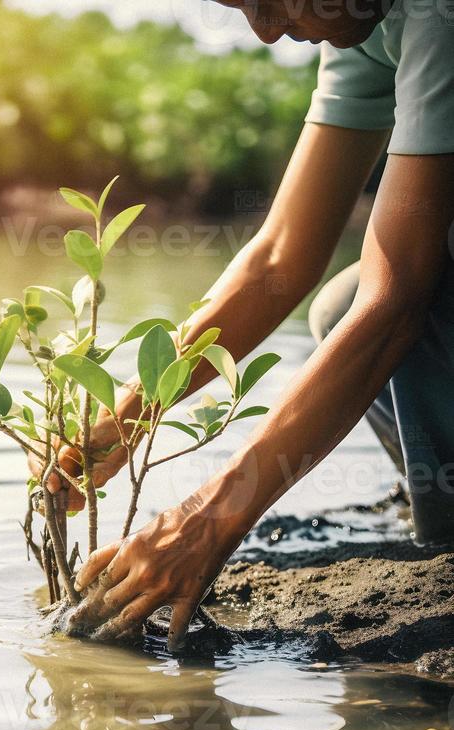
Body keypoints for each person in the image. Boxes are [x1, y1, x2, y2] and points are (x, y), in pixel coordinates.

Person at [43, 0, 454, 649]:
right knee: (336, 308)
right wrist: (121, 419)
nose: (265, 31)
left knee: (412, 290)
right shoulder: (363, 31)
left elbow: (400, 292)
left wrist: (213, 518)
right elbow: (276, 262)